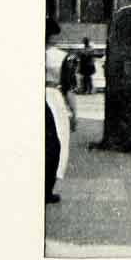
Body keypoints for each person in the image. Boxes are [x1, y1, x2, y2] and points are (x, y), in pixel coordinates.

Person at [45, 18, 75, 205]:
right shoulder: (61, 57)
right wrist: (74, 112)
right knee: (57, 143)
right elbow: (68, 88)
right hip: (54, 99)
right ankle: (48, 189)